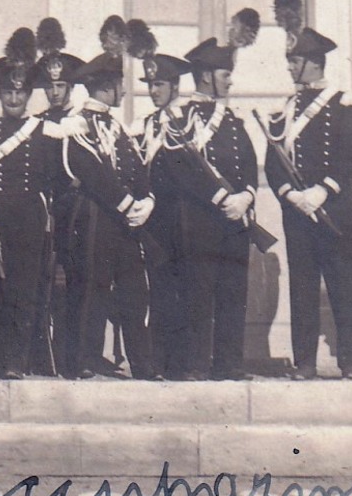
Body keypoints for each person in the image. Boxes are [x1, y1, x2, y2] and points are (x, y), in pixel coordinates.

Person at [0, 28, 84, 379]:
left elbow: (63, 178)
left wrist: (51, 213)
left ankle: (15, 361)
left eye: (20, 92)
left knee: (23, 291)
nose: (14, 98)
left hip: (29, 222)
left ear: (29, 94)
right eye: (8, 91)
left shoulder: (43, 131)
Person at [267, 0, 352, 380]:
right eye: (289, 61)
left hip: (333, 207)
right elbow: (273, 163)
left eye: (295, 61)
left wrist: (322, 190)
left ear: (313, 63)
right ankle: (304, 361)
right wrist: (291, 194)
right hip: (298, 212)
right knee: (302, 287)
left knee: (344, 285)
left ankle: (350, 361)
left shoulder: (343, 104)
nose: (290, 68)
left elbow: (350, 153)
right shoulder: (284, 110)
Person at [61, 44, 158, 380]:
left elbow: (136, 166)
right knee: (94, 289)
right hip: (96, 219)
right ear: (106, 85)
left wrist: (147, 201)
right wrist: (129, 204)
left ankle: (142, 363)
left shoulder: (116, 127)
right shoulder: (77, 125)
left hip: (126, 224)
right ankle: (85, 359)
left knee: (135, 291)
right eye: (120, 83)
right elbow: (90, 170)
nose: (124, 90)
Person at [178, 25, 262, 381]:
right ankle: (196, 364)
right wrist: (221, 198)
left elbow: (249, 166)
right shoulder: (181, 121)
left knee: (232, 293)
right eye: (225, 75)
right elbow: (181, 170)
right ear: (207, 76)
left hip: (234, 223)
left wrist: (246, 197)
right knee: (198, 296)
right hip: (198, 222)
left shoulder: (233, 121)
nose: (230, 82)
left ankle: (229, 364)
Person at [131, 43, 193, 379]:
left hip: (182, 218)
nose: (153, 91)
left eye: (159, 85)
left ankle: (180, 363)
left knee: (182, 290)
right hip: (154, 219)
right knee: (158, 289)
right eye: (150, 85)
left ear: (175, 87)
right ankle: (158, 360)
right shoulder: (146, 124)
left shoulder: (186, 122)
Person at [32, 18, 84, 377]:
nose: (55, 93)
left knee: (79, 282)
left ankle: (77, 355)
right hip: (45, 211)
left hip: (76, 212)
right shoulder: (36, 123)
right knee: (43, 283)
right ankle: (42, 354)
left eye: (61, 86)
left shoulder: (80, 121)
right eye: (50, 87)